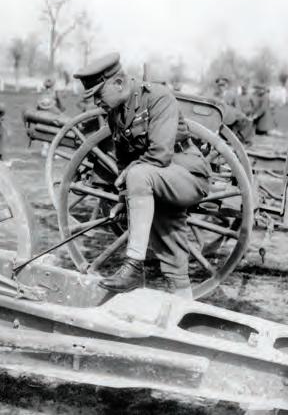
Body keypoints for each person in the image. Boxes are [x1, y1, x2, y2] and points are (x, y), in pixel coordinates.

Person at [74, 53, 211, 299]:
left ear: (118, 83)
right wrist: (124, 199)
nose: (96, 102)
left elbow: (159, 154)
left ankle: (134, 267)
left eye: (98, 94)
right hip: (156, 179)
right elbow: (123, 163)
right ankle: (184, 305)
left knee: (138, 174)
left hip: (187, 175)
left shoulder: (158, 97)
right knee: (172, 252)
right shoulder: (115, 115)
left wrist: (132, 179)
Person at [212, 77, 254, 145]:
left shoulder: (232, 94)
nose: (221, 87)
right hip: (218, 116)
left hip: (230, 116)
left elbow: (238, 107)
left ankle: (243, 139)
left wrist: (242, 115)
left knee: (246, 121)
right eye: (219, 85)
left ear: (227, 85)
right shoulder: (215, 95)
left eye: (223, 85)